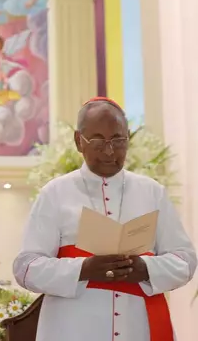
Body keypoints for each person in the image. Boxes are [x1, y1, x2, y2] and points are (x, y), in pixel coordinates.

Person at [13, 97, 197, 341]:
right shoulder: (55, 193)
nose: (110, 151)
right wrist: (84, 269)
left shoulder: (152, 192)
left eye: (118, 140)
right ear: (79, 141)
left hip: (138, 327)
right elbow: (26, 267)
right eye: (98, 141)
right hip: (72, 329)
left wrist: (145, 268)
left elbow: (185, 261)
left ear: (128, 137)